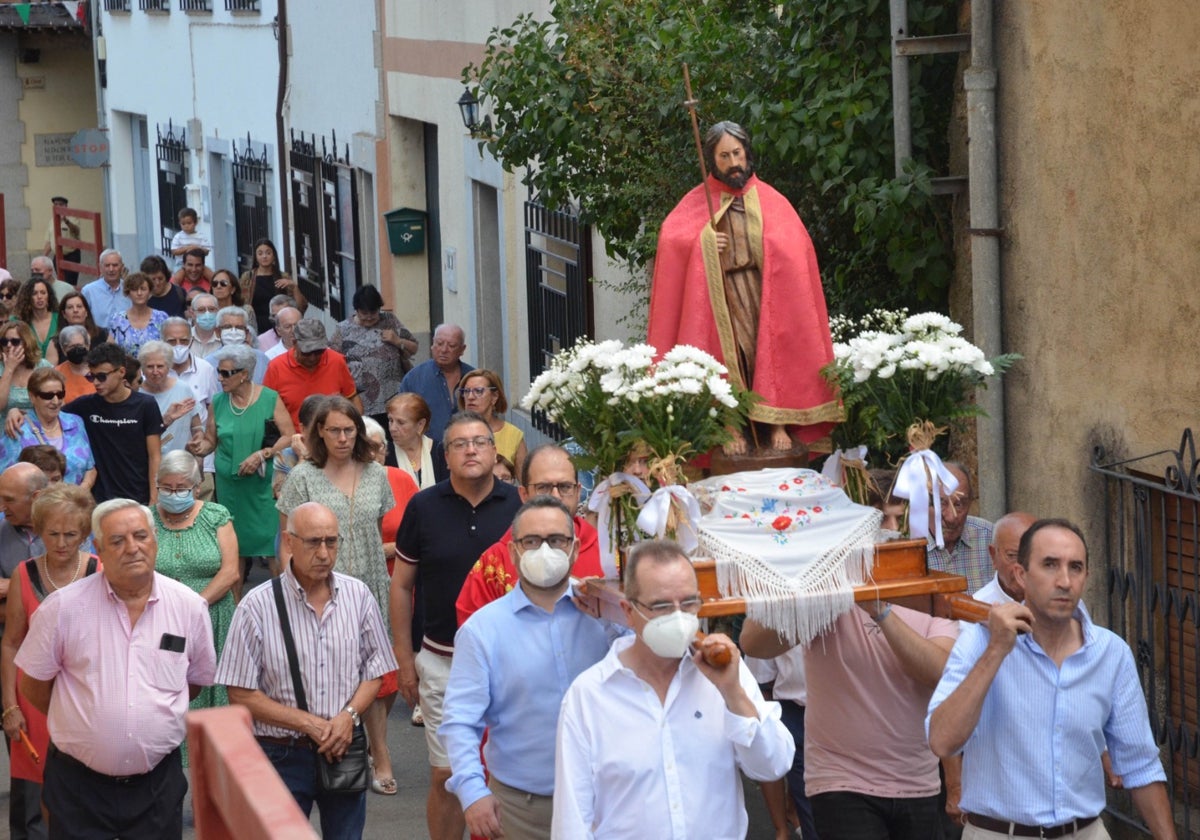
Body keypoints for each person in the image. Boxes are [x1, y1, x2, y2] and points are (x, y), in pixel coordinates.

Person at [928, 519, 1177, 840]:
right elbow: (942, 740)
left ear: (1086, 576)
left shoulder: (1111, 653)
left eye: (1076, 567)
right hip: (999, 833)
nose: (1064, 580)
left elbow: (1140, 764)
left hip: (1085, 832)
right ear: (1021, 574)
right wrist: (995, 653)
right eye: (1049, 565)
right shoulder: (978, 641)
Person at [553, 539, 795, 838]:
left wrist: (733, 694)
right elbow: (572, 821)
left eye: (689, 603)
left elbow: (772, 765)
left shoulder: (726, 672)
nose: (679, 617)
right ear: (629, 611)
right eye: (662, 606)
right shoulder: (589, 696)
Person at [16, 498, 217, 839]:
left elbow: (194, 682)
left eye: (141, 536)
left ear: (155, 540)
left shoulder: (189, 607)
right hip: (78, 788)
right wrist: (82, 720)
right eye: (118, 541)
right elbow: (33, 685)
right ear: (98, 548)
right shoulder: (63, 609)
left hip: (156, 786)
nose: (132, 548)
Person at [647, 120, 840, 453]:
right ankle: (730, 425)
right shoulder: (698, 202)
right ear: (712, 160)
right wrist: (706, 242)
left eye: (737, 153)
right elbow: (673, 239)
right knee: (726, 357)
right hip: (720, 295)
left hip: (761, 293)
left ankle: (776, 420)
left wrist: (768, 249)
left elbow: (794, 248)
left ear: (747, 153)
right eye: (724, 156)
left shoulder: (771, 200)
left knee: (764, 351)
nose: (733, 162)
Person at [216, 501, 395, 839]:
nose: (325, 553)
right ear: (289, 542)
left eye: (332, 541)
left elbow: (376, 670)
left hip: (344, 747)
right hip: (280, 752)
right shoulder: (257, 605)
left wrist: (348, 717)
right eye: (314, 542)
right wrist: (309, 724)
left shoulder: (358, 596)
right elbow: (239, 692)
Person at [442, 496, 613, 840]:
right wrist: (473, 792)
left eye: (556, 540)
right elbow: (460, 721)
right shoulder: (482, 631)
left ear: (575, 548)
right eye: (531, 541)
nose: (544, 550)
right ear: (514, 551)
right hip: (523, 809)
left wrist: (614, 620)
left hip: (608, 801)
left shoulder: (607, 613)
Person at [390, 410, 522, 840]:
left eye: (480, 441)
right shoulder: (423, 507)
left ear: (493, 449)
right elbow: (402, 586)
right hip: (443, 662)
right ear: (445, 455)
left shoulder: (521, 505)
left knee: (507, 776)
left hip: (513, 665)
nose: (471, 450)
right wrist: (405, 660)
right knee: (447, 775)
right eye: (460, 443)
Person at [741, 591, 959, 840]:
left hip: (917, 780)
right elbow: (753, 642)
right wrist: (816, 589)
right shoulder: (826, 584)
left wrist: (881, 612)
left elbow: (941, 672)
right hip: (840, 779)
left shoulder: (928, 586)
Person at [276, 398, 396, 790]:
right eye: (334, 431)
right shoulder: (303, 477)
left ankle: (381, 754)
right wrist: (288, 587)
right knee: (328, 667)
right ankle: (333, 744)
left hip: (370, 584)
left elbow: (374, 532)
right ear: (319, 434)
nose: (343, 438)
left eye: (350, 430)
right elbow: (286, 540)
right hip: (319, 585)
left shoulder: (377, 473)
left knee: (373, 671)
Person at [0, 483, 96, 840]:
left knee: (86, 796)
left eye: (71, 534)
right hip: (33, 698)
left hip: (85, 699)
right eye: (52, 534)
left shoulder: (102, 572)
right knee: (34, 804)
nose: (61, 543)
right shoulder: (23, 575)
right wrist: (10, 706)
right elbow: (10, 644)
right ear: (38, 531)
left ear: (85, 533)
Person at [456, 444, 603, 625]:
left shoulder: (609, 555)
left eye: (565, 487)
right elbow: (474, 631)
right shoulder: (494, 563)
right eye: (543, 487)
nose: (556, 496)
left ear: (578, 492)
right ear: (524, 494)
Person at [190, 344, 293, 578]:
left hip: (263, 486)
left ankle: (281, 606)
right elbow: (210, 441)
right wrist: (199, 448)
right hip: (231, 490)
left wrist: (262, 454)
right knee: (233, 551)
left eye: (226, 373)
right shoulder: (218, 402)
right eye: (219, 372)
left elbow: (288, 436)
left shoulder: (269, 398)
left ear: (244, 374)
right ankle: (235, 611)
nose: (220, 378)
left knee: (272, 549)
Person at [152, 450, 238, 714]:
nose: (172, 493)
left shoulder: (216, 516)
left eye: (180, 488)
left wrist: (194, 605)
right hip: (162, 620)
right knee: (171, 690)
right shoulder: (146, 519)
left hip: (212, 617)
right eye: (165, 487)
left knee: (212, 690)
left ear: (197, 488)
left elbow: (230, 572)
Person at [362, 415, 418, 793]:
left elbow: (419, 533)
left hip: (403, 584)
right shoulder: (345, 482)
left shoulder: (401, 480)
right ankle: (379, 750)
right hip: (359, 583)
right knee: (366, 668)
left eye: (377, 447)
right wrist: (386, 549)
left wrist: (392, 551)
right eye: (364, 447)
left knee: (394, 670)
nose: (372, 454)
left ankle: (372, 739)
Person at [62, 341, 163, 504]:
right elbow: (50, 413)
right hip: (99, 499)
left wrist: (154, 500)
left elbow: (155, 456)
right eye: (91, 376)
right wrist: (18, 412)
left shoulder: (146, 405)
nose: (95, 383)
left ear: (121, 372)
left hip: (138, 496)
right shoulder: (85, 405)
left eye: (101, 376)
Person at [330, 284, 417, 426]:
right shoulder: (343, 330)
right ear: (356, 310)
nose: (369, 318)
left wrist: (397, 340)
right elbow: (332, 361)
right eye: (364, 313)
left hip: (392, 398)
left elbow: (414, 347)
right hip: (359, 402)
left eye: (374, 312)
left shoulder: (390, 321)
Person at [0, 367, 96, 489]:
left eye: (60, 394)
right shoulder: (18, 427)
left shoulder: (75, 422)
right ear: (32, 397)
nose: (55, 401)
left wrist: (81, 491)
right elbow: (5, 478)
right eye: (48, 396)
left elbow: (90, 468)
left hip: (74, 503)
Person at [161, 317, 220, 502]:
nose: (178, 346)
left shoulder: (206, 369)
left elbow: (213, 408)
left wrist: (205, 442)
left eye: (184, 340)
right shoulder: (151, 373)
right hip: (163, 459)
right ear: (162, 341)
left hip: (201, 461)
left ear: (191, 340)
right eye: (172, 341)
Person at [264, 319, 361, 428]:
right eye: (307, 352)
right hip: (295, 439)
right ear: (295, 343)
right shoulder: (276, 367)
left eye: (318, 351)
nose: (312, 358)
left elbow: (352, 399)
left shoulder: (336, 361)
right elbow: (267, 410)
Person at [397, 323, 474, 442]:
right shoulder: (414, 379)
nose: (444, 350)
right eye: (439, 343)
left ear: (462, 350)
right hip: (427, 452)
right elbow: (401, 418)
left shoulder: (473, 378)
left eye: (451, 345)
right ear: (432, 345)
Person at [926, 462, 995, 593]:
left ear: (970, 504)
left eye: (959, 504)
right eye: (941, 503)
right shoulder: (908, 550)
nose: (951, 517)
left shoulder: (989, 537)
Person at [0, 464, 49, 633]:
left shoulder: (70, 529)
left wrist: (14, 585)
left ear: (36, 497)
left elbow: (76, 588)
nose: (2, 507)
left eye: (9, 500)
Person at [456, 368, 527, 483]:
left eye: (478, 391)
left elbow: (526, 485)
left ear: (494, 397)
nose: (470, 397)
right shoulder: (455, 433)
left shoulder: (513, 435)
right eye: (466, 391)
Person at [139, 340, 201, 455]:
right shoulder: (137, 393)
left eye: (160, 366)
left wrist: (198, 438)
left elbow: (196, 425)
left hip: (179, 461)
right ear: (142, 369)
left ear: (169, 367)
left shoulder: (183, 389)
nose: (155, 371)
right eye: (150, 367)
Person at [239, 237, 305, 330]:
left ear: (274, 255)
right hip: (255, 325)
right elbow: (239, 302)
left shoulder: (283, 277)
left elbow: (300, 307)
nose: (264, 256)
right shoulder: (247, 277)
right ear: (256, 257)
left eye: (268, 253)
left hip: (280, 324)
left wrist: (294, 287)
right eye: (260, 253)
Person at [383, 392, 446, 489]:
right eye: (391, 420)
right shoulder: (384, 454)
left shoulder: (440, 451)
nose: (392, 428)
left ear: (420, 424)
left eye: (401, 422)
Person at [974, 511, 1036, 604]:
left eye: (1031, 555)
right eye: (1012, 556)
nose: (1022, 567)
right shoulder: (975, 610)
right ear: (993, 555)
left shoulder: (1058, 603)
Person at [0, 321, 54, 414]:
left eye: (15, 341)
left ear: (26, 343)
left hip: (38, 424)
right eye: (4, 342)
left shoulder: (43, 366)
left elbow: (55, 400)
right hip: (6, 426)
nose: (9, 345)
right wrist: (9, 369)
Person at [109, 272, 169, 354]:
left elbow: (169, 347)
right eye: (134, 289)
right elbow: (110, 350)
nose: (139, 293)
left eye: (143, 289)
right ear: (128, 293)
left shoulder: (162, 317)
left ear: (150, 292)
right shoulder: (117, 319)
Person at [210, 305, 269, 382]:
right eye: (227, 327)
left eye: (239, 327)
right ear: (218, 332)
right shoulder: (209, 362)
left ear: (246, 332)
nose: (233, 332)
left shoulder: (261, 359)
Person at [80, 248, 130, 331]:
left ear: (122, 267)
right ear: (100, 267)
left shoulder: (130, 289)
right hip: (99, 340)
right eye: (107, 265)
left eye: (115, 265)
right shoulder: (88, 291)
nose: (111, 269)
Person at [15, 276, 60, 363]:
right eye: (34, 293)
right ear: (28, 297)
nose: (39, 297)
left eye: (43, 293)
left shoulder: (60, 319)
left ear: (49, 296)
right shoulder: (19, 322)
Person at [42, 197, 82, 286]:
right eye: (56, 204)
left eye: (61, 204)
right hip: (58, 256)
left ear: (66, 206)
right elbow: (49, 241)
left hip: (71, 256)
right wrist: (43, 257)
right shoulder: (51, 221)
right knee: (60, 282)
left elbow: (76, 231)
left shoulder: (73, 218)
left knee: (70, 283)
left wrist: (66, 220)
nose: (58, 206)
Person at [55, 291, 109, 355]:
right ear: (64, 314)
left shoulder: (103, 335)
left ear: (86, 312)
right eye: (70, 307)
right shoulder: (56, 341)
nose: (75, 310)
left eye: (79, 306)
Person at [53, 324, 94, 403]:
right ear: (64, 350)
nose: (76, 350)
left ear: (87, 346)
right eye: (71, 347)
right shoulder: (57, 374)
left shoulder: (99, 369)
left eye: (79, 345)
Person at [211, 268, 258, 332]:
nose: (218, 286)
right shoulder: (208, 312)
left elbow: (252, 336)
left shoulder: (246, 310)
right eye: (215, 283)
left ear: (233, 289)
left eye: (223, 283)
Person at [189, 292, 222, 358]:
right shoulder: (184, 338)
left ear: (218, 311)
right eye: (201, 310)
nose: (207, 313)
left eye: (211, 309)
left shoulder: (224, 340)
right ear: (192, 313)